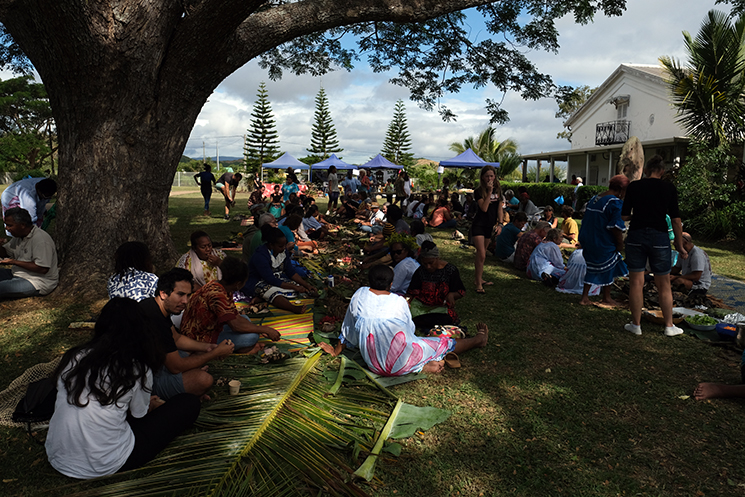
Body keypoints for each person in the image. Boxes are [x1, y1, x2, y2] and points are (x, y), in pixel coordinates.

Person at [45, 298, 201, 479]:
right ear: (141, 330)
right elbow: (138, 416)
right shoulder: (136, 368)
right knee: (188, 404)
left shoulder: (75, 356)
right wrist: (150, 405)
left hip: (58, 456)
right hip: (109, 462)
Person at [319, 265, 489, 375]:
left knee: (411, 347)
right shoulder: (398, 301)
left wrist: (335, 351)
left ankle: (422, 365)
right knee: (442, 343)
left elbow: (347, 330)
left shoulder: (359, 294)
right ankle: (478, 340)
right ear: (391, 284)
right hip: (401, 359)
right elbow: (409, 334)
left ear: (369, 282)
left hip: (374, 365)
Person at [141, 269, 234, 400]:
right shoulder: (154, 319)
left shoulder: (155, 306)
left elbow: (177, 338)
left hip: (153, 367)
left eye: (188, 295)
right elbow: (175, 367)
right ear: (163, 293)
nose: (185, 301)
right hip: (143, 385)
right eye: (180, 294)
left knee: (195, 354)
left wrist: (208, 347)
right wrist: (214, 354)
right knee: (204, 380)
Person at [622, 155, 686, 337]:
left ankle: (636, 325)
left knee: (636, 281)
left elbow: (625, 216)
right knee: (664, 283)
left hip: (636, 235)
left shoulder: (634, 186)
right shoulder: (669, 188)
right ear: (662, 171)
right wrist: (680, 245)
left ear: (646, 170)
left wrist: (640, 217)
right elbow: (676, 220)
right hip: (659, 237)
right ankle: (669, 326)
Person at [180, 257, 281, 353]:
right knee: (252, 337)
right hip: (199, 338)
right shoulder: (217, 295)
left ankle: (241, 347)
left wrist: (258, 329)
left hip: (210, 327)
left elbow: (235, 316)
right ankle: (242, 349)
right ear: (238, 284)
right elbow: (235, 326)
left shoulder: (220, 286)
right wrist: (265, 329)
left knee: (246, 319)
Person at [578, 174, 629, 307]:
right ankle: (603, 297)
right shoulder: (615, 203)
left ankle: (590, 296)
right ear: (621, 189)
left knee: (593, 268)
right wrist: (620, 243)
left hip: (588, 239)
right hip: (602, 241)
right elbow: (615, 226)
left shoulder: (595, 198)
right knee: (609, 266)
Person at [243, 225, 318, 314]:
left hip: (275, 279)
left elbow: (290, 271)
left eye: (284, 245)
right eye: (280, 246)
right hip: (257, 282)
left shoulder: (283, 252)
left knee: (295, 287)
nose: (283, 248)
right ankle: (292, 308)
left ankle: (263, 298)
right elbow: (270, 279)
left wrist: (306, 285)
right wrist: (295, 287)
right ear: (271, 245)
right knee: (273, 292)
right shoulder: (260, 256)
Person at [0, 207, 58, 299]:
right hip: (18, 273)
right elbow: (5, 253)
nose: (7, 228)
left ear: (22, 225)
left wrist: (14, 262)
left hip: (37, 281)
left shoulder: (41, 240)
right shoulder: (19, 237)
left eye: (10, 225)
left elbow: (42, 268)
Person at [407, 241, 466, 327]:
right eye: (425, 263)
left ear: (437, 258)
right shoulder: (420, 271)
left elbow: (461, 292)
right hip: (422, 308)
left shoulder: (450, 271)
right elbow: (411, 292)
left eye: (431, 263)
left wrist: (452, 295)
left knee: (445, 319)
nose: (428, 267)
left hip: (441, 309)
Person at [471, 165, 503, 294]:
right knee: (482, 253)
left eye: (491, 176)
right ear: (482, 178)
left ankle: (479, 278)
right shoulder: (478, 191)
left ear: (494, 176)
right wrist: (489, 192)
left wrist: (500, 223)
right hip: (479, 224)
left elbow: (500, 208)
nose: (489, 178)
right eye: (487, 176)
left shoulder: (499, 190)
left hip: (490, 225)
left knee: (482, 256)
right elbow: (483, 208)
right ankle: (478, 283)